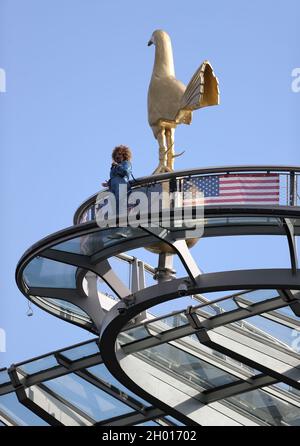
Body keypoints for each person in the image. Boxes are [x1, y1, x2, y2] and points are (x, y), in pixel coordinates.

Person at [102, 145, 133, 220]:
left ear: (124, 155)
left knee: (121, 204)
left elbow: (126, 172)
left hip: (121, 186)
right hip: (114, 188)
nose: (117, 156)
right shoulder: (114, 167)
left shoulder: (126, 163)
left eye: (119, 154)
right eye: (116, 155)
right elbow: (114, 178)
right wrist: (108, 183)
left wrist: (118, 166)